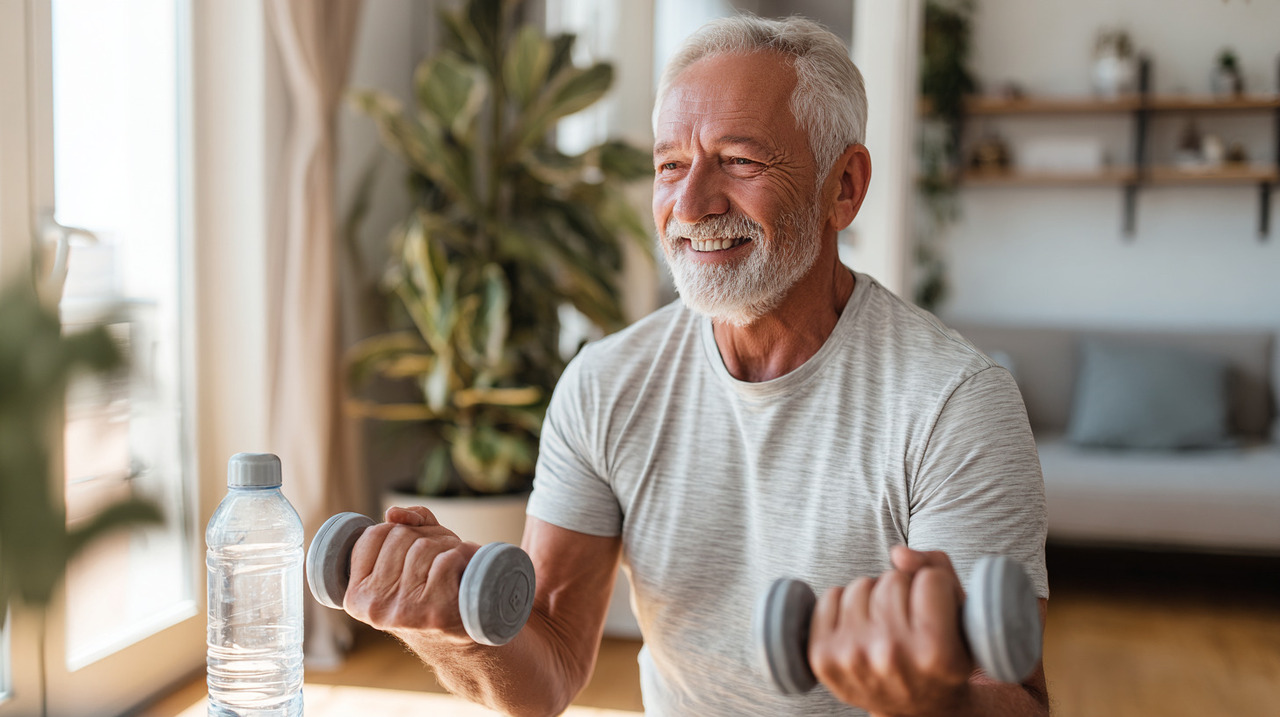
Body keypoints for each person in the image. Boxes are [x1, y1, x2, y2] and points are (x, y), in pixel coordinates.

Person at [343, 14, 1050, 717]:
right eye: (671, 164)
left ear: (844, 187)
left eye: (740, 160)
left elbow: (1017, 700)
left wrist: (939, 700)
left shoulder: (953, 402)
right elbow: (547, 670)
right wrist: (446, 623)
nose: (690, 204)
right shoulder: (606, 384)